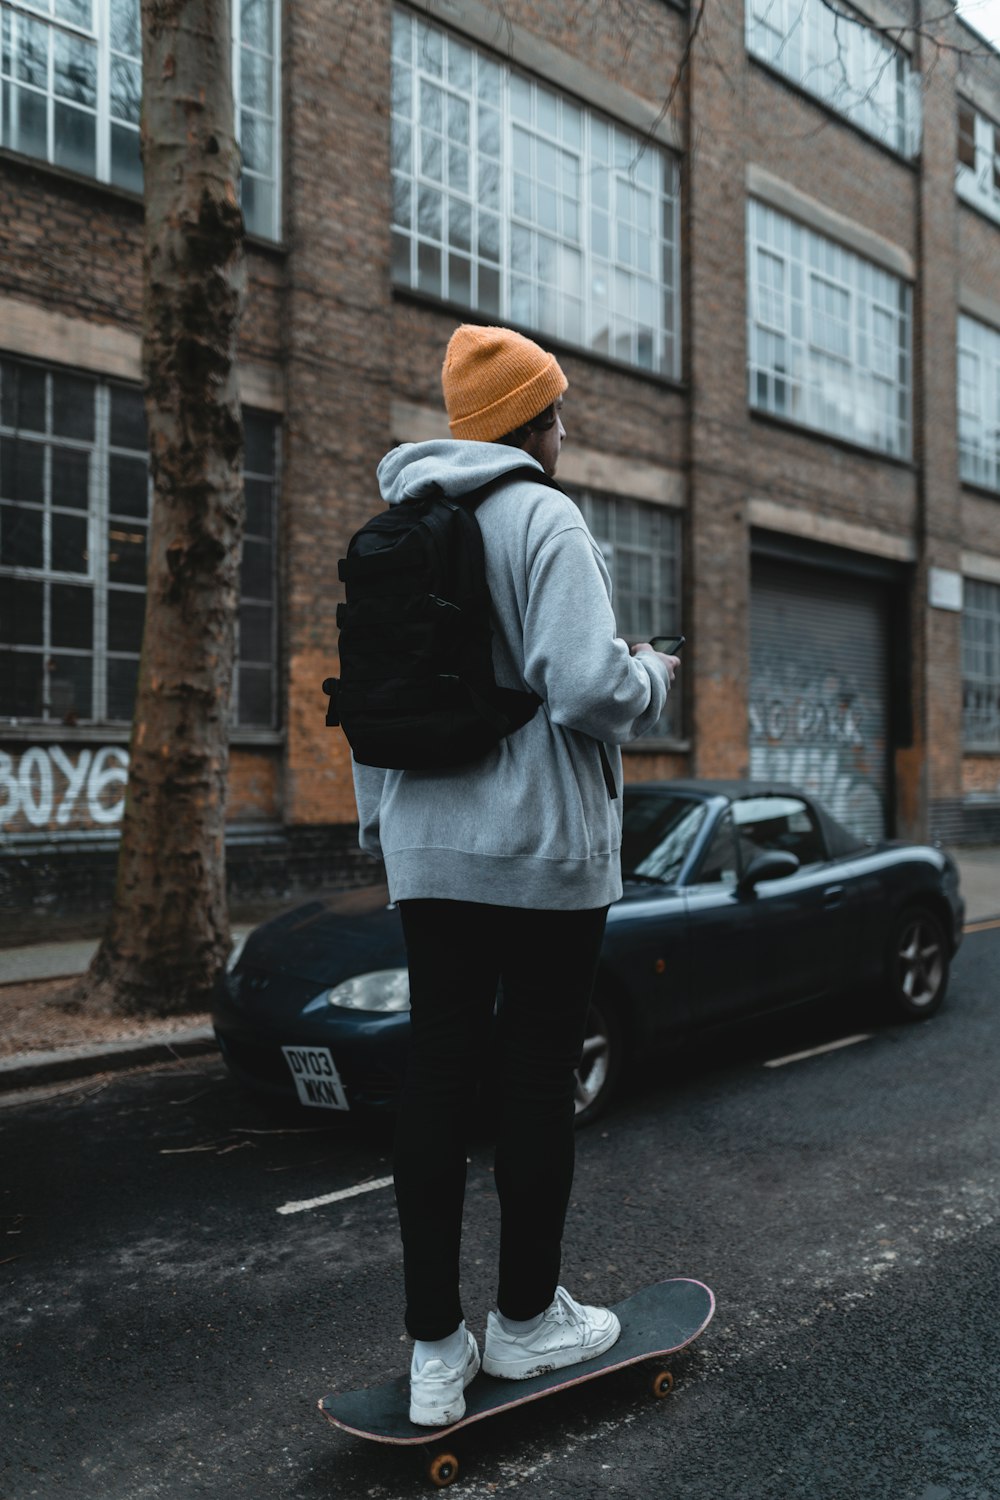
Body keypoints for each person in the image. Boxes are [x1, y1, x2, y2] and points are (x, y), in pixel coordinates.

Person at [351, 323, 680, 1427]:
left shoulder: (397, 527)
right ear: (533, 422)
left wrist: (385, 834)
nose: (566, 425)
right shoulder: (544, 516)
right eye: (559, 408)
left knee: (438, 1076)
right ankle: (528, 1323)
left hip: (427, 849)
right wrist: (650, 674)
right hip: (541, 850)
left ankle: (435, 1353)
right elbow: (586, 689)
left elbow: (371, 704)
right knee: (535, 1074)